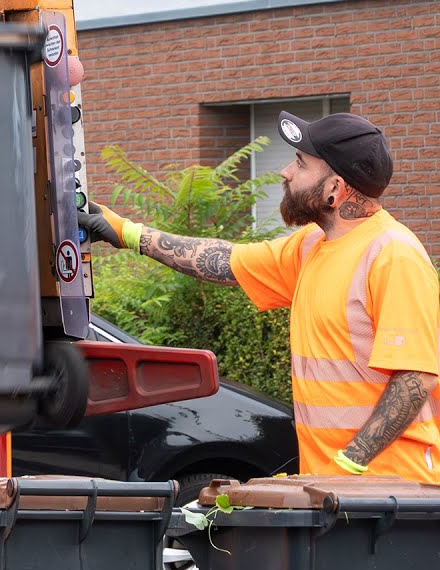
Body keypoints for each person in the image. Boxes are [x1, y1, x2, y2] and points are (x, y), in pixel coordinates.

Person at [80, 110, 440, 484]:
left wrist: (350, 464)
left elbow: (415, 377)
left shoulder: (393, 254)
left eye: (300, 163)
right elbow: (224, 262)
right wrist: (125, 232)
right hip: (339, 490)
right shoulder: (311, 246)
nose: (285, 171)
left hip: (393, 492)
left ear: (335, 188)